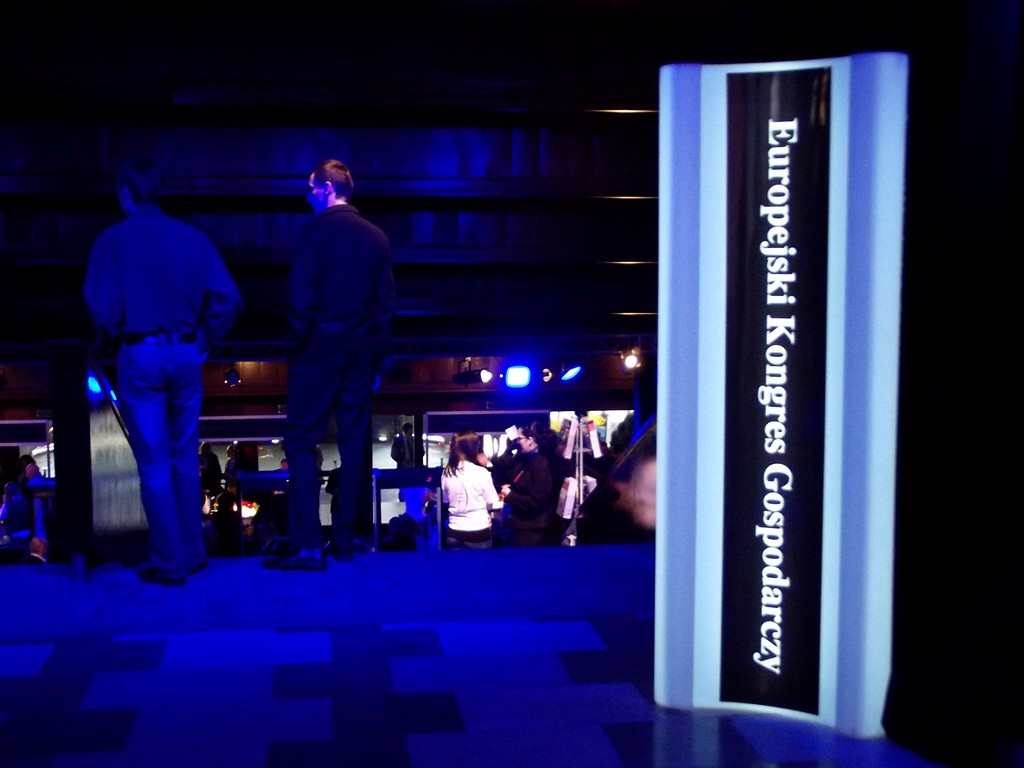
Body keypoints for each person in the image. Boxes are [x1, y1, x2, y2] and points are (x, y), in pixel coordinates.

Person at [83, 152, 243, 586]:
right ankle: (193, 553)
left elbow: (101, 307)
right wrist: (205, 337)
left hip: (141, 352)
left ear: (126, 191)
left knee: (152, 464)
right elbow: (228, 298)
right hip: (187, 351)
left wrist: (117, 329)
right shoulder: (191, 238)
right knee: (185, 459)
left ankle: (170, 563)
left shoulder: (113, 241)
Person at [265, 158, 395, 570]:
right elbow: (384, 308)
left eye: (309, 188)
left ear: (324, 188)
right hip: (360, 349)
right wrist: (375, 361)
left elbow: (299, 299)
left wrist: (298, 344)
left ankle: (306, 545)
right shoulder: (377, 238)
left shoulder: (313, 234)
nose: (306, 196)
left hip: (318, 347)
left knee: (302, 442)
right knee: (354, 441)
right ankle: (343, 538)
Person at [492, 421, 560, 547]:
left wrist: (510, 494)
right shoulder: (525, 458)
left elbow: (536, 500)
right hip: (522, 522)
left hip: (534, 526)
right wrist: (509, 449)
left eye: (519, 439)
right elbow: (502, 465)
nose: (517, 442)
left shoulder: (540, 464)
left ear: (530, 440)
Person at [441, 430, 498, 549]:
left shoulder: (446, 473)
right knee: (481, 567)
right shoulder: (482, 473)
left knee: (457, 567)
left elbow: (446, 500)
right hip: (479, 531)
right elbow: (491, 501)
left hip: (455, 530)